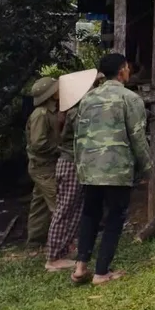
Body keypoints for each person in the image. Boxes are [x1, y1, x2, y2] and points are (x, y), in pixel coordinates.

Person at [71, 53, 151, 285]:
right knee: (115, 217)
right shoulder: (130, 99)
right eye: (127, 67)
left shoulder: (87, 99)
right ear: (123, 70)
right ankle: (101, 272)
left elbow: (78, 135)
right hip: (116, 168)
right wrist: (147, 167)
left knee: (90, 214)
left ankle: (80, 267)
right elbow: (137, 137)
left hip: (89, 167)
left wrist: (81, 166)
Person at [44, 68, 98, 271]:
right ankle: (53, 256)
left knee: (75, 209)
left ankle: (63, 250)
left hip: (75, 163)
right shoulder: (76, 113)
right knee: (65, 209)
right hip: (71, 164)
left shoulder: (70, 111)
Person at [25, 77, 60, 249]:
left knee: (39, 206)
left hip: (44, 166)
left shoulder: (51, 111)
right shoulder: (41, 114)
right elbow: (38, 143)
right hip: (43, 168)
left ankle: (34, 243)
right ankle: (59, 245)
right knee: (60, 204)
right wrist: (59, 148)